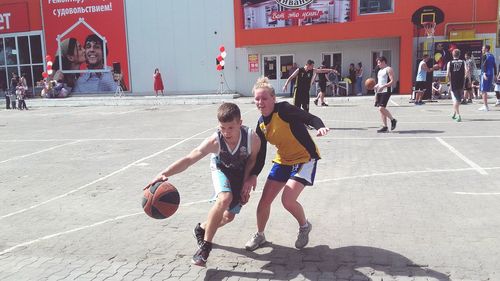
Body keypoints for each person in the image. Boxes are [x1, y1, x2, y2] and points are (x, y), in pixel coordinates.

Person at [144, 103, 260, 266]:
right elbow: (189, 159)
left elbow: (252, 161)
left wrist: (246, 183)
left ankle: (201, 228)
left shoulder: (252, 138)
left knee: (228, 217)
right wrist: (165, 173)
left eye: (231, 128)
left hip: (239, 172)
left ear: (240, 123)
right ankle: (205, 248)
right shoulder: (214, 141)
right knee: (225, 198)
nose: (226, 132)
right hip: (220, 168)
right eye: (222, 127)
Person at [244, 77, 330, 252]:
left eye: (265, 98)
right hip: (283, 161)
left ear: (273, 98)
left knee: (287, 200)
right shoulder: (261, 125)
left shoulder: (283, 110)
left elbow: (309, 117)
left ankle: (304, 226)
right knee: (263, 204)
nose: (261, 102)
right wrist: (252, 175)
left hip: (305, 159)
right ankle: (260, 235)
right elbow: (260, 156)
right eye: (257, 99)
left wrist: (320, 126)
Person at [374, 56, 397, 133]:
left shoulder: (388, 69)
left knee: (381, 108)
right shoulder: (380, 71)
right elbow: (380, 82)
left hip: (386, 90)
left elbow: (392, 81)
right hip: (379, 91)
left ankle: (393, 120)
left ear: (383, 62)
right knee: (381, 110)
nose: (378, 64)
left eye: (379, 62)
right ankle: (385, 127)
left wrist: (384, 86)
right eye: (377, 63)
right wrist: (376, 85)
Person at [447, 49, 465, 122]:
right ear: (459, 54)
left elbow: (448, 73)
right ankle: (455, 114)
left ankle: (458, 115)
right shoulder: (463, 62)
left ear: (452, 54)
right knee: (459, 99)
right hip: (461, 82)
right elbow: (467, 71)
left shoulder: (450, 62)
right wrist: (467, 80)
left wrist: (449, 81)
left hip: (454, 83)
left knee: (456, 100)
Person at [478, 44, 497, 111]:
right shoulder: (492, 56)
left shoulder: (484, 56)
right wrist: (495, 75)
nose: (482, 49)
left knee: (483, 90)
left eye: (483, 48)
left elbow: (484, 65)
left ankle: (485, 106)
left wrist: (484, 73)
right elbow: (494, 65)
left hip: (485, 74)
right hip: (491, 74)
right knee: (485, 91)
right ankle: (485, 105)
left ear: (486, 49)